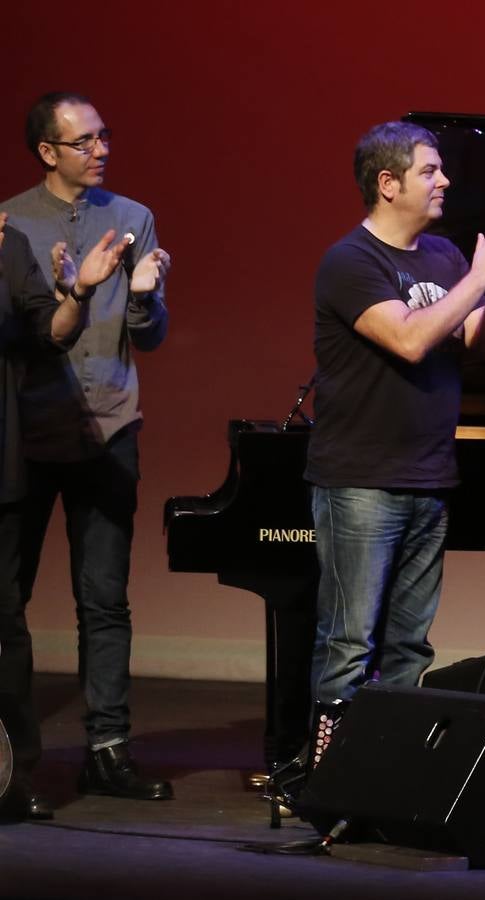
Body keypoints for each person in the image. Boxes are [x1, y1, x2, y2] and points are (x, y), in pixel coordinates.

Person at [306, 121, 485, 713]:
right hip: (361, 482)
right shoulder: (349, 261)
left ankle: (388, 781)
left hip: (429, 478)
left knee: (410, 647)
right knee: (350, 644)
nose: (445, 181)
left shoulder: (442, 254)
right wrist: (481, 277)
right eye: (429, 171)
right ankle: (333, 787)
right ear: (388, 183)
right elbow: (409, 340)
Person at [0, 92, 172, 803]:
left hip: (109, 427)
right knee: (6, 603)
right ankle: (13, 766)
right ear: (47, 151)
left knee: (104, 599)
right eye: (84, 142)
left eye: (104, 137)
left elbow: (152, 334)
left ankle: (108, 749)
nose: (101, 150)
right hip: (26, 436)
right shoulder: (12, 224)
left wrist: (142, 296)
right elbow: (22, 336)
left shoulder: (131, 219)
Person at [0, 214, 117, 820]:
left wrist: (79, 292)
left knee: (3, 627)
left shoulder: (8, 243)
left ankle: (10, 775)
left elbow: (50, 331)